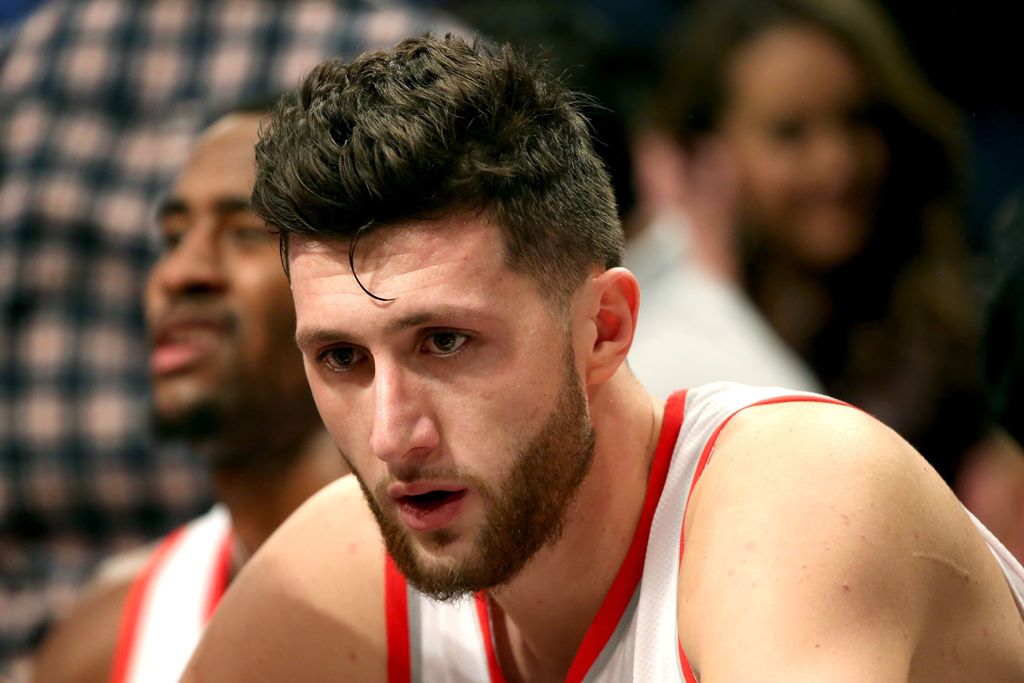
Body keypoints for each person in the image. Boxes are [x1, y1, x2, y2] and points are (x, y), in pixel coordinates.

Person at [183, 36, 1024, 682]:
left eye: (445, 341)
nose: (394, 435)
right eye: (341, 358)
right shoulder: (339, 566)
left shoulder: (799, 499)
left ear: (604, 328)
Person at [30, 105, 348, 683]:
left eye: (246, 231)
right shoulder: (103, 640)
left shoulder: (496, 595)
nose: (179, 272)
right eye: (174, 237)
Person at [638, 0, 995, 489]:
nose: (838, 163)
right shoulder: (663, 343)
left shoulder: (955, 339)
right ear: (704, 157)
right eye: (791, 134)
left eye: (856, 120)